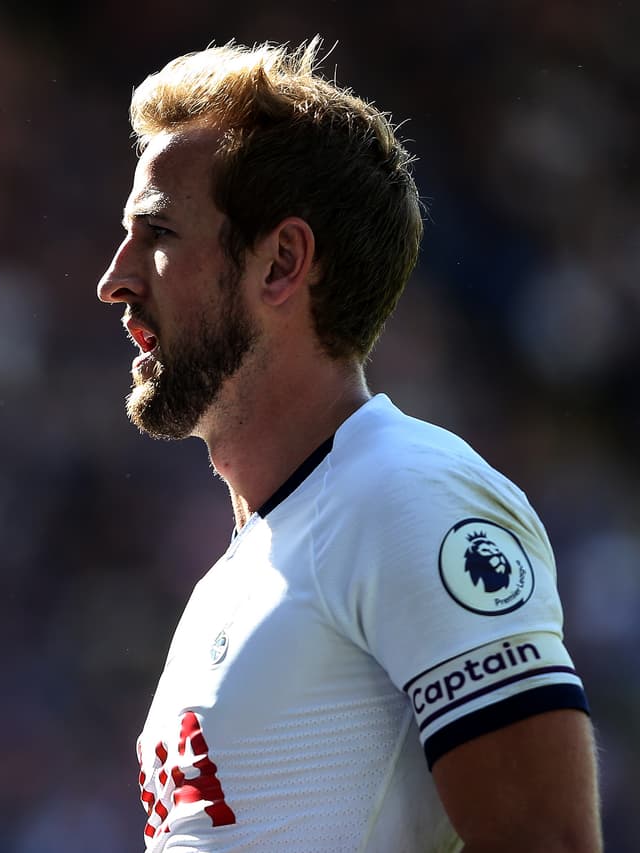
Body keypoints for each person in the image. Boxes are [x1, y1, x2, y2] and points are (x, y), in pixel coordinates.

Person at [97, 39, 600, 852]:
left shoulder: (406, 493)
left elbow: (548, 840)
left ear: (282, 263)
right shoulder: (239, 572)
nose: (114, 278)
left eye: (156, 232)